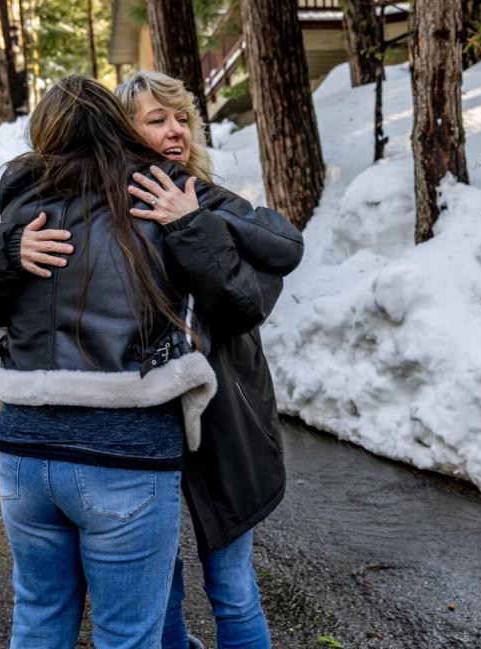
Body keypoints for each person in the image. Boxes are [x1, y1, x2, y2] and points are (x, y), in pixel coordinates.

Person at [0, 75, 234, 649]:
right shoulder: (161, 196)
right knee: (127, 634)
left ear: (45, 134)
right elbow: (241, 294)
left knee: (39, 614)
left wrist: (5, 247)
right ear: (116, 125)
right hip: (125, 449)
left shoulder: (24, 206)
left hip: (25, 450)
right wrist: (191, 225)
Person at [116, 71, 303, 649]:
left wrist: (191, 222)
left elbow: (256, 285)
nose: (175, 130)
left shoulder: (207, 198)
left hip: (225, 418)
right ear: (123, 131)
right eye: (156, 120)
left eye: (180, 118)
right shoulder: (107, 209)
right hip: (145, 418)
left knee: (231, 581)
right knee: (158, 579)